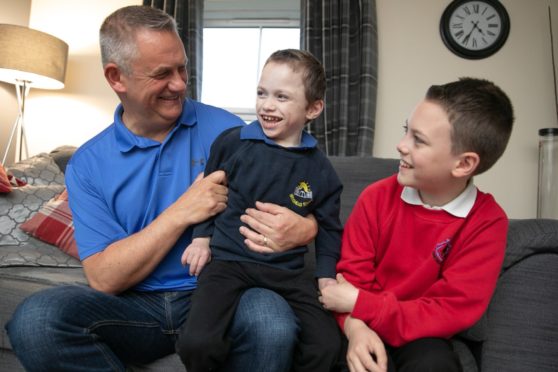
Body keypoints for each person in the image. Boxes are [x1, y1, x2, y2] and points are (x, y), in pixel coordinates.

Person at [5, 6, 319, 372]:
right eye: (162, 74)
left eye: (182, 68)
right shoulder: (88, 164)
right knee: (36, 320)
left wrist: (307, 226)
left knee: (272, 322)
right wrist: (183, 210)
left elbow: (300, 187)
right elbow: (105, 277)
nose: (181, 83)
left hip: (221, 292)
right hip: (132, 307)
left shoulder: (228, 130)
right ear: (116, 77)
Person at [319, 77, 514, 372]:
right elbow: (352, 279)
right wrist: (356, 328)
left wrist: (362, 303)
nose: (400, 146)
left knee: (435, 363)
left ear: (463, 164)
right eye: (405, 131)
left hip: (421, 334)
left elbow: (447, 311)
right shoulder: (376, 198)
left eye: (418, 140)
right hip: (360, 323)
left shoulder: (487, 222)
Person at [175, 49, 344, 372]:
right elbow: (209, 193)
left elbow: (330, 228)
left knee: (327, 344)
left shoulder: (321, 170)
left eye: (282, 97)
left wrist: (326, 276)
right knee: (197, 342)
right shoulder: (232, 143)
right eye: (262, 93)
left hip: (287, 272)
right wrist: (202, 239)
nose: (267, 105)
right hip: (228, 263)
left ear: (313, 108)